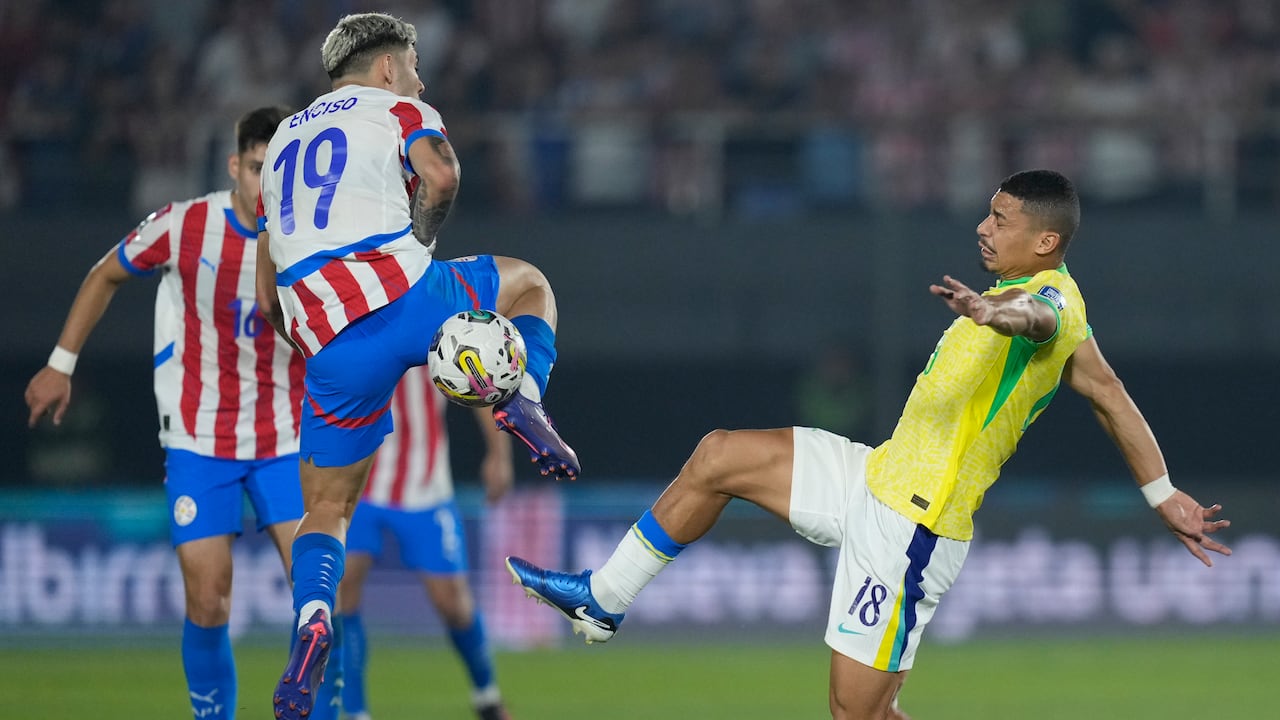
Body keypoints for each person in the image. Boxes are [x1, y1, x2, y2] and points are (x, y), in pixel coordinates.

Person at [506, 170, 1233, 720]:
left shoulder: (1049, 301)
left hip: (913, 525)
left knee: (859, 714)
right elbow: (1107, 391)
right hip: (875, 476)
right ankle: (603, 600)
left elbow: (1033, 319)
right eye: (987, 211)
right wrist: (1163, 493)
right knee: (718, 454)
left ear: (1044, 240)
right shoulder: (1053, 299)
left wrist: (992, 311)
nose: (983, 226)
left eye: (1001, 219)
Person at [254, 13, 578, 719]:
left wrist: (301, 336)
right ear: (385, 68)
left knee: (327, 509)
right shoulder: (401, 107)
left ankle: (312, 618)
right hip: (402, 293)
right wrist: (422, 238)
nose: (421, 78)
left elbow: (264, 284)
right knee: (530, 285)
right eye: (415, 64)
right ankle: (523, 396)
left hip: (327, 341)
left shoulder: (279, 143)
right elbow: (440, 175)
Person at [25, 106, 304, 720]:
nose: (268, 184)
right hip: (200, 439)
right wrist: (61, 364)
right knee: (208, 600)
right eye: (259, 168)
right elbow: (105, 274)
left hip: (285, 434)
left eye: (280, 171)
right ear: (236, 166)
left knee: (315, 597)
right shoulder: (184, 226)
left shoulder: (312, 238)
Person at [325, 364, 514, 720]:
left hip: (424, 484)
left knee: (453, 604)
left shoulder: (436, 318)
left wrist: (499, 455)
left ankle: (487, 696)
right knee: (342, 592)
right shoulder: (353, 315)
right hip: (359, 481)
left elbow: (479, 381)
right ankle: (355, 711)